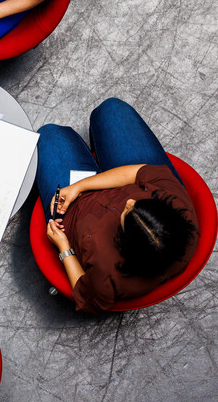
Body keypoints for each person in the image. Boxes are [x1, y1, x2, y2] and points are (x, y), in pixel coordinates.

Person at [35, 98, 199, 314]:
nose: (129, 202)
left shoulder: (107, 276)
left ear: (125, 244)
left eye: (127, 213)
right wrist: (80, 186)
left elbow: (85, 296)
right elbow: (136, 172)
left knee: (49, 135)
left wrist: (64, 247)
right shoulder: (178, 208)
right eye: (139, 203)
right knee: (111, 110)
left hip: (76, 211)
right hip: (118, 181)